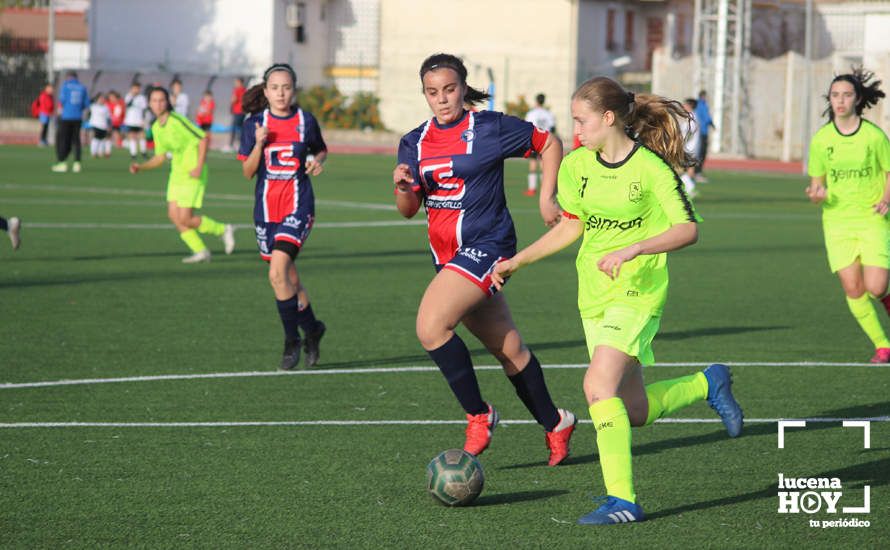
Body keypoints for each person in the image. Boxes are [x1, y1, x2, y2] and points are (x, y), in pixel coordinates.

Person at [492, 76, 743, 524]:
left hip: (639, 291)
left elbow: (688, 229)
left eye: (581, 121)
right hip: (594, 295)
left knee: (597, 388)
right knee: (633, 410)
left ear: (609, 118)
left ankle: (622, 500)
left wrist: (635, 248)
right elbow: (571, 227)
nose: (575, 132)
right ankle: (709, 382)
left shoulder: (651, 169)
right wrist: (517, 262)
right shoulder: (575, 167)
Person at [392, 53, 575, 465]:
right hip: (447, 257)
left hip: (489, 245)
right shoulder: (414, 142)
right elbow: (407, 209)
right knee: (508, 348)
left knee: (430, 326)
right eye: (432, 92)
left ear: (463, 87)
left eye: (450, 89)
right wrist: (403, 186)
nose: (442, 99)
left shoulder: (489, 127)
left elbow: (549, 144)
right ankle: (555, 422)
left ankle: (479, 414)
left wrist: (548, 198)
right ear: (425, 94)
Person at [238, 64, 328, 370]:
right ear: (265, 91)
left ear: (294, 90)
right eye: (274, 87)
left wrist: (317, 161)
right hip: (265, 210)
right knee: (287, 278)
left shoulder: (306, 121)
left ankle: (292, 341)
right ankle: (313, 329)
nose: (280, 93)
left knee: (277, 272)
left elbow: (320, 150)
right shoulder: (254, 124)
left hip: (298, 206)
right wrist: (260, 142)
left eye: (286, 87)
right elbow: (248, 172)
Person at [806, 68, 890, 363]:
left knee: (877, 286)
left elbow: (889, 171)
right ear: (830, 99)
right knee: (854, 288)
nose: (840, 101)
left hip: (871, 218)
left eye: (846, 95)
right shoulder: (821, 140)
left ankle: (884, 303)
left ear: (857, 99)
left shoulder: (874, 136)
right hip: (837, 222)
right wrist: (817, 194)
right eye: (835, 95)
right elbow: (817, 184)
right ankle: (882, 346)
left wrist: (886, 198)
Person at [128, 86, 235, 263]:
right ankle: (200, 250)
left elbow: (202, 139)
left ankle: (222, 229)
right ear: (149, 103)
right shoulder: (156, 127)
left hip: (193, 173)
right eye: (154, 100)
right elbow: (160, 157)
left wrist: (199, 166)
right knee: (174, 216)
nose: (158, 104)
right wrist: (141, 166)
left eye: (161, 100)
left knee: (185, 217)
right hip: (177, 174)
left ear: (167, 101)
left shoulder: (177, 120)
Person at [52, 71, 89, 173]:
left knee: (64, 140)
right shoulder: (82, 87)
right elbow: (86, 104)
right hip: (78, 117)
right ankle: (77, 164)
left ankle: (62, 163)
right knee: (76, 140)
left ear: (68, 77)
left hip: (66, 117)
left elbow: (62, 101)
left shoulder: (65, 87)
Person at [524, 93, 556, 197]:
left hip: (534, 141)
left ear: (536, 101)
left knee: (533, 164)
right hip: (546, 141)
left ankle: (532, 189)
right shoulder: (548, 114)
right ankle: (544, 188)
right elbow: (552, 128)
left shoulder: (531, 113)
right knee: (544, 165)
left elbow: (527, 128)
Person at [679, 98, 700, 198]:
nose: (683, 107)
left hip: (689, 147)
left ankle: (690, 188)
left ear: (690, 106)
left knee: (680, 169)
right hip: (689, 147)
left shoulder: (692, 117)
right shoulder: (690, 117)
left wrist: (682, 143)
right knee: (687, 169)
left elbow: (691, 132)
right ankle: (690, 188)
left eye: (685, 105)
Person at [694, 90, 714, 183]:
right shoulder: (701, 105)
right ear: (702, 96)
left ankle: (698, 172)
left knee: (702, 153)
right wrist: (711, 123)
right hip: (701, 132)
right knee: (701, 153)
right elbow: (706, 117)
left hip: (704, 132)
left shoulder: (702, 104)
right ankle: (697, 173)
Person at [123, 82, 148, 160]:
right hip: (130, 120)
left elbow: (144, 109)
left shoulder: (142, 98)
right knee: (132, 137)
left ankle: (143, 153)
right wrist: (133, 96)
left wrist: (144, 120)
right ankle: (133, 154)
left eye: (137, 88)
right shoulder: (128, 96)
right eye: (134, 88)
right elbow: (127, 105)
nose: (136, 90)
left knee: (142, 136)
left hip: (139, 120)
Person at [87, 93, 112, 158]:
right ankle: (93, 153)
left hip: (103, 126)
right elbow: (88, 102)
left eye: (103, 98)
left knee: (102, 139)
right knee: (96, 138)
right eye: (100, 98)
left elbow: (108, 118)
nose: (102, 100)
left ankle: (100, 152)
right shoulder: (93, 106)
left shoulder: (106, 107)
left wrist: (109, 126)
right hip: (95, 125)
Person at [229, 76, 246, 151]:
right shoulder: (245, 90)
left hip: (237, 111)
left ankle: (231, 145)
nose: (235, 83)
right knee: (241, 128)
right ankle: (241, 144)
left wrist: (231, 106)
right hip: (243, 112)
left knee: (234, 128)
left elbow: (234, 99)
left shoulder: (237, 90)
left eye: (236, 82)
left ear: (239, 82)